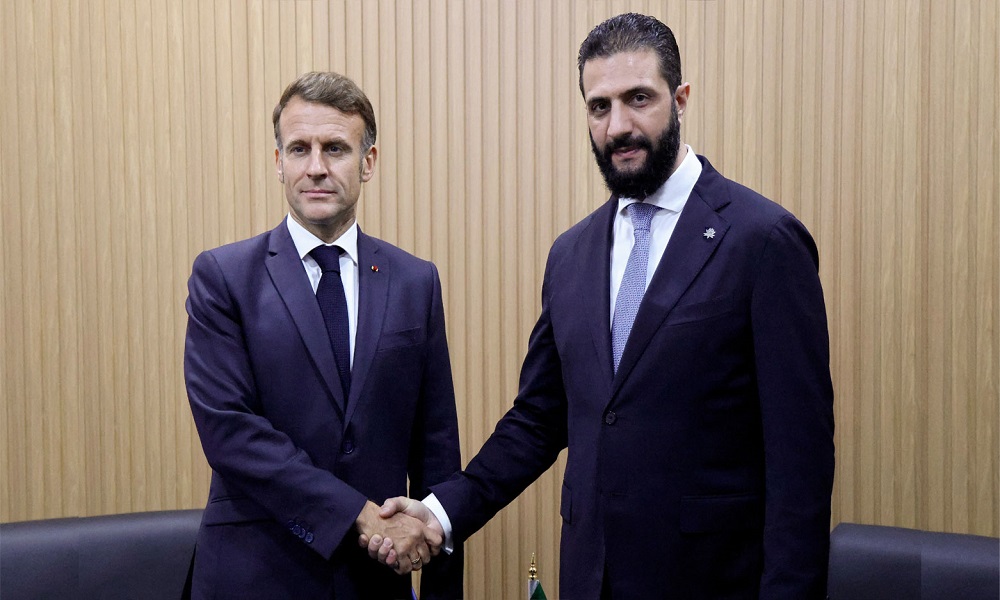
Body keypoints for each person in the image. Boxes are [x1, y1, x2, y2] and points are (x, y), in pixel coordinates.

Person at [368, 13, 835, 599]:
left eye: (639, 99)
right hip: (591, 579)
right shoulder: (571, 254)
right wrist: (441, 512)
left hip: (713, 582)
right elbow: (539, 420)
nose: (619, 126)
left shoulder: (763, 241)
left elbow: (801, 462)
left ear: (680, 99)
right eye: (599, 107)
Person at [184, 71, 463, 599]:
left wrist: (441, 590)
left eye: (335, 148)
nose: (316, 167)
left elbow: (437, 450)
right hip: (255, 577)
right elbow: (229, 432)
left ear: (368, 162)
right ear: (278, 162)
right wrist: (358, 514)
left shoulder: (415, 282)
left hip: (375, 583)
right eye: (299, 149)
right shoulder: (224, 277)